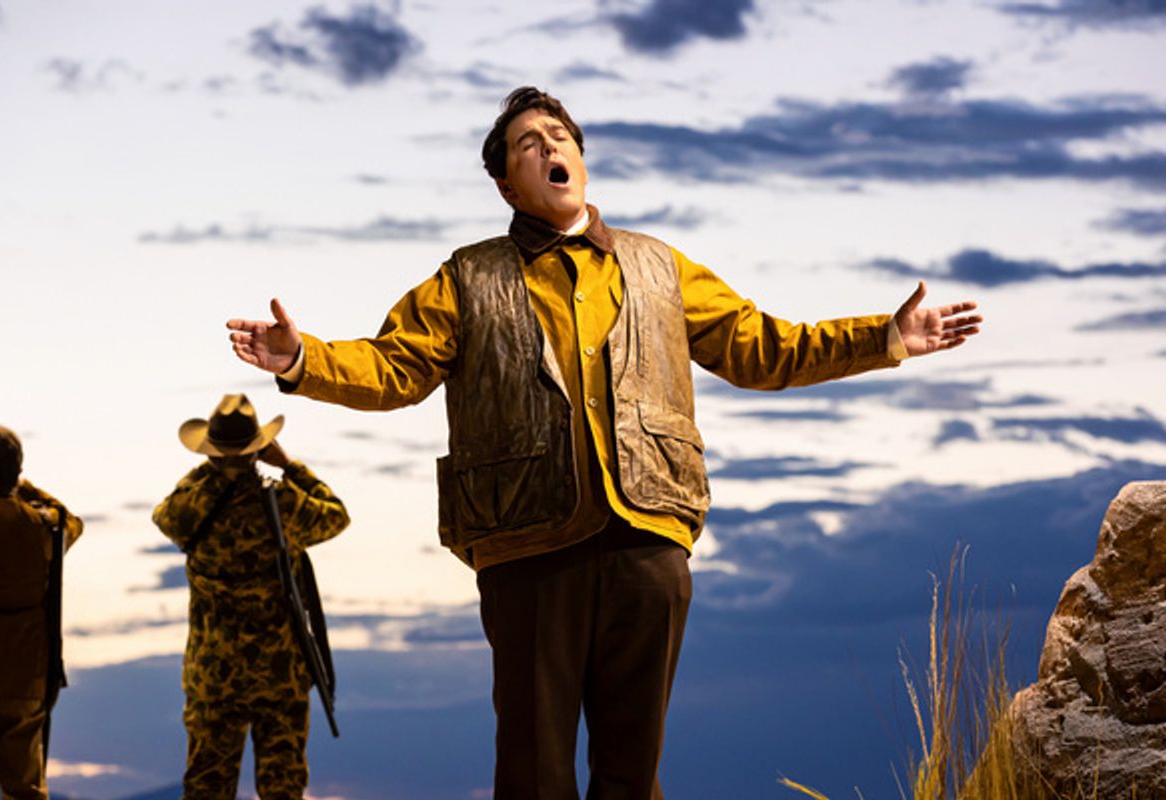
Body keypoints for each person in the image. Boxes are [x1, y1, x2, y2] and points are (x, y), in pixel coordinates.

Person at [226, 87, 983, 799]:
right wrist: (301, 359)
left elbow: (763, 347)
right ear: (507, 184)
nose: (548, 146)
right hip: (527, 546)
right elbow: (393, 368)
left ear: (581, 160)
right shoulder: (467, 277)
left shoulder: (660, 266)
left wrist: (885, 337)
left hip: (647, 543)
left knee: (632, 773)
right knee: (533, 772)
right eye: (528, 143)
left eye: (559, 135)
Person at [152, 394, 349, 799]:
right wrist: (290, 466)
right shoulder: (282, 504)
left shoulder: (191, 506)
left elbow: (163, 515)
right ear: (257, 448)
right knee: (283, 788)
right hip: (279, 676)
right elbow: (336, 514)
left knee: (207, 786)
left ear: (211, 450)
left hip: (214, 678)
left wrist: (212, 472)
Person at [0, 424, 84, 800]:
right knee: (26, 793)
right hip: (25, 684)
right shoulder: (43, 529)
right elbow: (71, 522)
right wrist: (25, 486)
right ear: (16, 473)